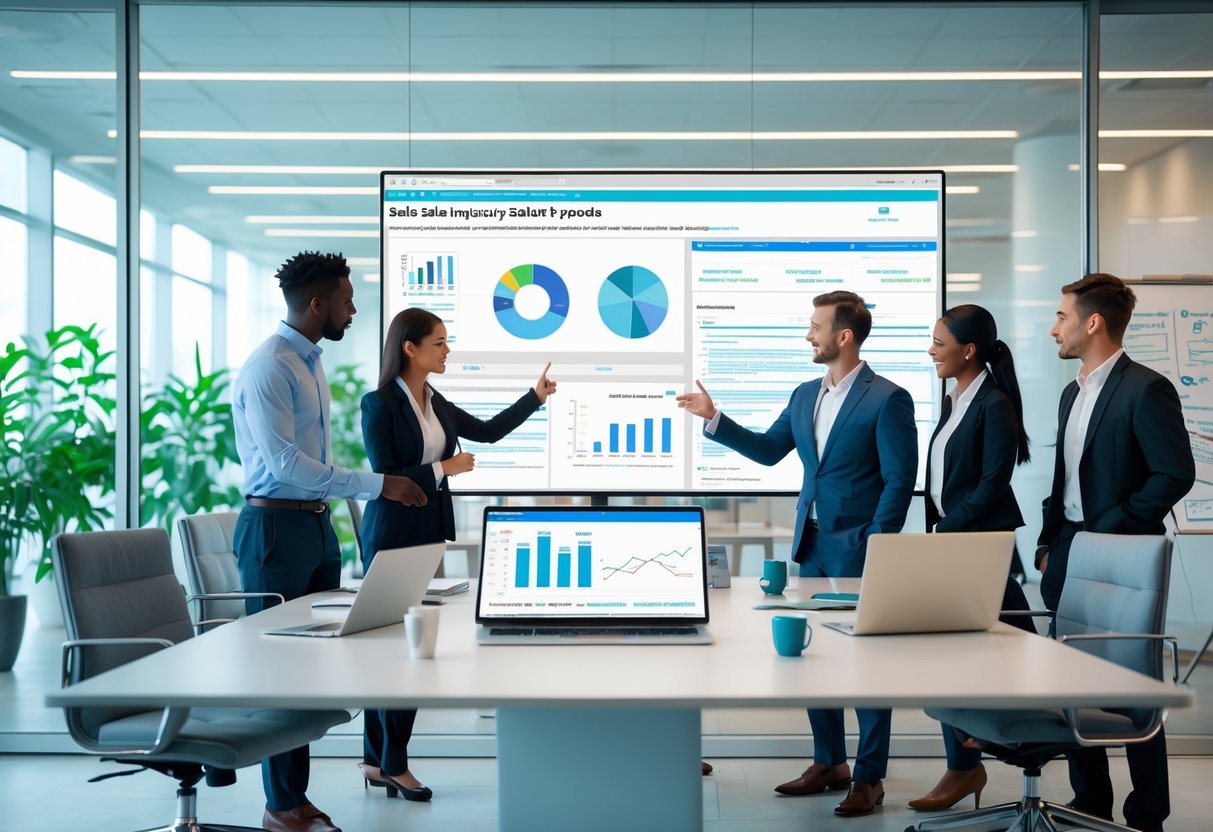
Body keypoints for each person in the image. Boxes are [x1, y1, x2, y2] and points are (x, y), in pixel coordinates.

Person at [677, 290, 916, 817]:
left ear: (843, 336)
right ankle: (829, 762)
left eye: (815, 326)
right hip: (812, 543)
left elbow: (900, 479)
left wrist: (878, 539)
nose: (809, 334)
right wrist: (714, 417)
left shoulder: (887, 398)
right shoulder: (806, 394)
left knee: (866, 664)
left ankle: (869, 777)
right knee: (819, 658)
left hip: (860, 547)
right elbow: (768, 451)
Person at [232, 251, 428, 832]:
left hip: (315, 525)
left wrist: (352, 508)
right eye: (347, 300)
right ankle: (282, 805)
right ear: (317, 303)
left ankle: (296, 797)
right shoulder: (270, 367)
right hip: (274, 529)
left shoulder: (309, 362)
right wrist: (379, 484)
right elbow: (285, 463)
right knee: (281, 671)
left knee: (312, 667)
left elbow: (314, 461)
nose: (353, 310)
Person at [357, 307, 555, 802]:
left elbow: (486, 431)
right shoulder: (379, 403)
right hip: (390, 535)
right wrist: (445, 467)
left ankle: (376, 761)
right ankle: (394, 765)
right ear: (411, 348)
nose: (448, 350)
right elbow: (385, 474)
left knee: (405, 648)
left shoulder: (434, 399)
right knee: (397, 653)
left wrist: (534, 398)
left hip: (425, 532)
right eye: (440, 343)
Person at [1038, 273, 1194, 832]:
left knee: (1132, 683)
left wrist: (1114, 525)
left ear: (1093, 322)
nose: (1054, 327)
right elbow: (1065, 477)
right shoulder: (1071, 393)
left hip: (1121, 555)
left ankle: (1147, 813)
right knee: (1071, 679)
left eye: (1062, 316)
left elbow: (1175, 473)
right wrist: (1048, 542)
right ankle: (1090, 801)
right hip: (1069, 551)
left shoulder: (1145, 388)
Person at [907, 304, 1035, 812]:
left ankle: (970, 762)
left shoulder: (993, 404)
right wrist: (937, 530)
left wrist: (944, 529)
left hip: (978, 546)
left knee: (976, 654)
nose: (931, 351)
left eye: (939, 343)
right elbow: (944, 481)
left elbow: (992, 484)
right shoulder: (954, 401)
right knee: (947, 656)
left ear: (969, 349)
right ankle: (963, 765)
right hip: (954, 544)